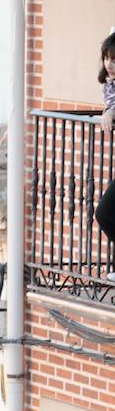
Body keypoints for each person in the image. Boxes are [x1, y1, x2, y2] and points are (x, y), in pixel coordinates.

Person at [94, 31, 115, 279]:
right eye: (106, 58)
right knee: (106, 213)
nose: (109, 64)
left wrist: (111, 111)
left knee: (106, 212)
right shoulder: (110, 86)